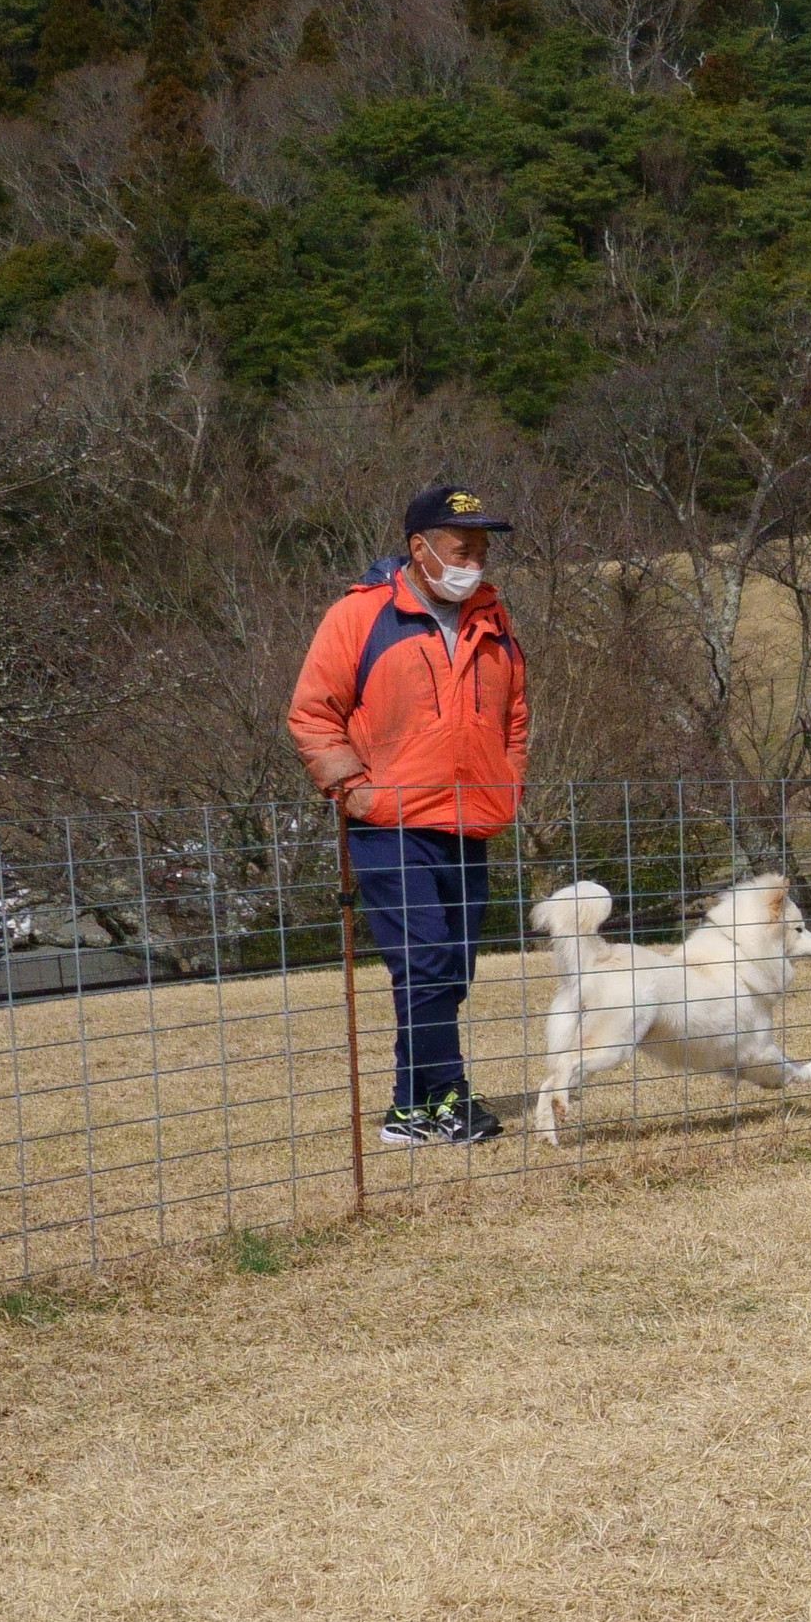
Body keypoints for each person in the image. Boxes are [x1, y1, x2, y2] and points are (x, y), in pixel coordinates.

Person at [287, 485, 528, 1144]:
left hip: (471, 817)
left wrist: (509, 781)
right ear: (419, 549)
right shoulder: (359, 617)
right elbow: (312, 713)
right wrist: (350, 787)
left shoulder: (494, 620)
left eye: (481, 548)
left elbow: (515, 717)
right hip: (390, 822)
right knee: (424, 961)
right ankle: (451, 1097)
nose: (475, 559)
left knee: (451, 967)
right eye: (461, 547)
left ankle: (405, 1109)